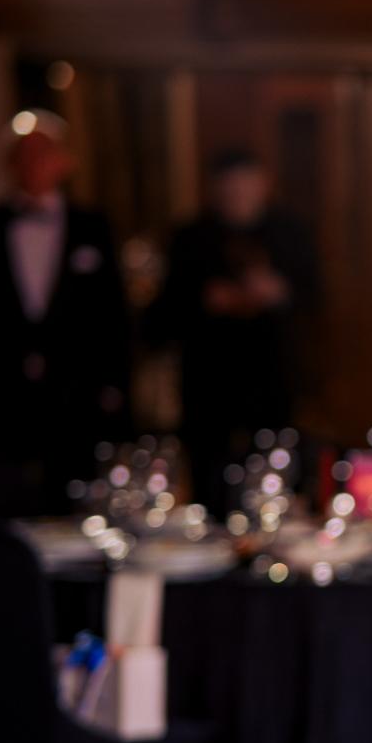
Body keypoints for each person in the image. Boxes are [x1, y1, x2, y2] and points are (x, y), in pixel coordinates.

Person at [0, 114, 131, 515]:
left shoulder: (93, 226)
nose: (34, 163)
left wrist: (114, 385)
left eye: (43, 153)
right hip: (2, 390)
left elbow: (112, 313)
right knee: (0, 496)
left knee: (76, 499)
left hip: (75, 389)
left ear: (65, 162)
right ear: (9, 163)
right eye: (24, 154)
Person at [147, 148, 318, 509]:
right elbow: (161, 318)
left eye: (245, 187)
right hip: (210, 382)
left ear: (262, 186)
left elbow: (316, 297)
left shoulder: (289, 233)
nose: (238, 196)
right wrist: (206, 300)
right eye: (229, 189)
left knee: (276, 476)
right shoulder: (191, 239)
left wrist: (278, 291)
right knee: (211, 484)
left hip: (273, 379)